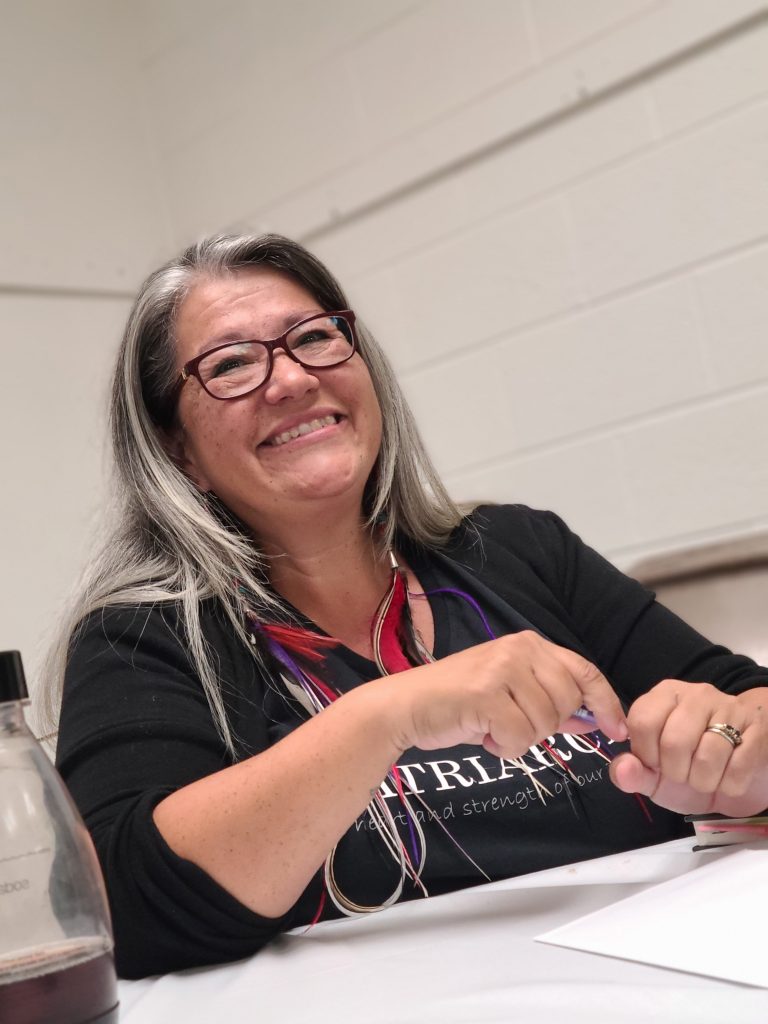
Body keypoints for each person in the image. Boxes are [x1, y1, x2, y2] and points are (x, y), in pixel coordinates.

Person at [47, 234, 768, 980]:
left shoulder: (520, 550)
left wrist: (733, 757)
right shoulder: (142, 638)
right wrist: (387, 715)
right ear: (179, 454)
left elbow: (748, 706)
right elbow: (122, 911)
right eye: (231, 364)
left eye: (316, 337)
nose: (291, 378)